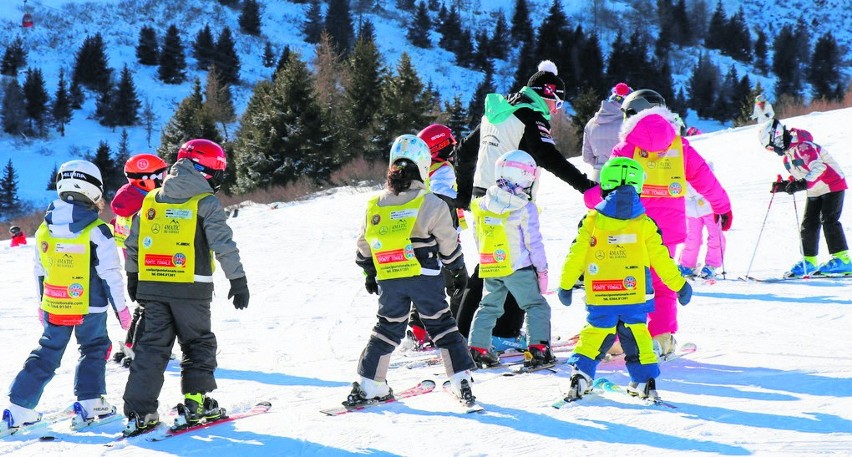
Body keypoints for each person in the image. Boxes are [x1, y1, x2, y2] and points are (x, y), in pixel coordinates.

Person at [454, 60, 596, 349]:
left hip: (483, 199)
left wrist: (464, 195)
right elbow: (548, 157)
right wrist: (586, 186)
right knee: (521, 265)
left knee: (488, 265)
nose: (556, 111)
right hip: (509, 201)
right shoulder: (530, 114)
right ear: (549, 95)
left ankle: (462, 330)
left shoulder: (498, 110)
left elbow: (465, 152)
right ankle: (506, 332)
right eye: (558, 103)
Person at [584, 89, 732, 358]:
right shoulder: (680, 146)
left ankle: (618, 338)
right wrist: (722, 207)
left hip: (631, 228)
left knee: (627, 282)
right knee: (663, 284)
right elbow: (705, 179)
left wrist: (590, 198)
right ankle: (662, 338)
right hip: (669, 231)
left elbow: (611, 185)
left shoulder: (627, 147)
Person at [121, 139, 250, 436]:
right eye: (217, 172)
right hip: (191, 290)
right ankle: (196, 402)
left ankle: (140, 413)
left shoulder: (152, 199)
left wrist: (133, 276)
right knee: (197, 343)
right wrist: (238, 280)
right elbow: (223, 244)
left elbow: (133, 243)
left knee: (150, 349)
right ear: (207, 171)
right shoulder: (205, 202)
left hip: (153, 286)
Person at [1, 160, 130, 433]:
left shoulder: (44, 229)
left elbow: (40, 270)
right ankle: (92, 403)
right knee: (94, 349)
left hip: (55, 303)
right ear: (93, 189)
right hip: (90, 307)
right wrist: (123, 313)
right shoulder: (98, 230)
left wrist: (41, 305)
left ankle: (18, 409)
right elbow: (111, 275)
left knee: (47, 352)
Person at [349, 134, 476, 407]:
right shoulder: (431, 202)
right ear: (423, 165)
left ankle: (369, 383)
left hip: (389, 277)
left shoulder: (375, 205)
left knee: (387, 327)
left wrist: (369, 273)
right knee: (441, 324)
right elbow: (448, 243)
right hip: (425, 276)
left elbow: (363, 246)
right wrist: (457, 272)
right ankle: (460, 380)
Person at [558, 158, 693, 401]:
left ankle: (581, 376)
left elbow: (576, 254)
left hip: (601, 293)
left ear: (605, 186)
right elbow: (662, 260)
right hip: (634, 295)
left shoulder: (591, 221)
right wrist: (680, 285)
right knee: (638, 335)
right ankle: (644, 382)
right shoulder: (645, 224)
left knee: (596, 333)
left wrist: (566, 284)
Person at [467, 150, 552, 369]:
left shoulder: (481, 205)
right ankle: (538, 349)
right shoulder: (525, 208)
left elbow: (479, 236)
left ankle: (478, 348)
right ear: (524, 176)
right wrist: (542, 271)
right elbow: (534, 243)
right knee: (536, 305)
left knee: (488, 306)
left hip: (491, 264)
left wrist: (485, 259)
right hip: (518, 268)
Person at [404, 124, 469, 349]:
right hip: (443, 234)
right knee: (459, 283)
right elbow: (444, 194)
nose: (454, 149)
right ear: (441, 147)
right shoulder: (443, 169)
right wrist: (463, 198)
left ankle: (418, 330)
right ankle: (456, 329)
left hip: (423, 234)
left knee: (427, 282)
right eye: (450, 144)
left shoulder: (423, 170)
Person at [760, 118, 850, 276]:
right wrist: (785, 186)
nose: (774, 151)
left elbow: (819, 167)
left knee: (829, 220)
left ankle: (843, 261)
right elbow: (801, 176)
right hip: (815, 189)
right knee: (808, 224)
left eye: (772, 147)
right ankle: (809, 261)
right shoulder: (787, 158)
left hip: (832, 184)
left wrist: (802, 184)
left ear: (777, 137)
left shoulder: (803, 146)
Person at [109, 153, 169, 368]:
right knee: (152, 308)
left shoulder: (128, 199)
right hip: (147, 263)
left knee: (146, 306)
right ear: (145, 179)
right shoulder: (145, 204)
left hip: (136, 263)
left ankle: (131, 345)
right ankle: (136, 351)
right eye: (161, 174)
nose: (165, 178)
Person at [678, 163, 726, 279]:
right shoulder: (677, 167)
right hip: (691, 209)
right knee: (692, 238)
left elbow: (713, 187)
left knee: (715, 236)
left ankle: (711, 265)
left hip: (709, 207)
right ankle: (686, 265)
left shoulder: (701, 168)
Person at [582, 82, 633, 182]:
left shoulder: (591, 123)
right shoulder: (629, 124)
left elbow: (586, 157)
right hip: (624, 178)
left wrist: (601, 165)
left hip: (598, 178)